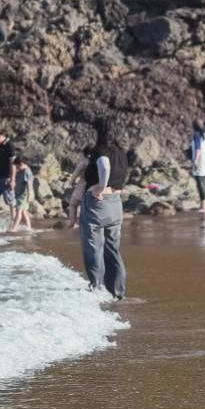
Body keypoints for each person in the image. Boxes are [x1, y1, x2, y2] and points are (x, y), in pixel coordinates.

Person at [67, 118, 127, 297]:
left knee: (93, 247)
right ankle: (117, 292)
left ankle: (97, 288)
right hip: (116, 204)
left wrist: (100, 186)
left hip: (97, 203)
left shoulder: (100, 151)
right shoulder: (121, 152)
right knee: (113, 249)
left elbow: (105, 166)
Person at [9, 150, 37, 232]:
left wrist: (29, 195)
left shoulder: (27, 172)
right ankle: (29, 227)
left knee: (19, 211)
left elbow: (29, 185)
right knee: (24, 212)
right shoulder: (22, 170)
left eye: (17, 167)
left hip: (23, 195)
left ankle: (14, 228)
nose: (17, 169)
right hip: (19, 194)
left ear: (22, 164)